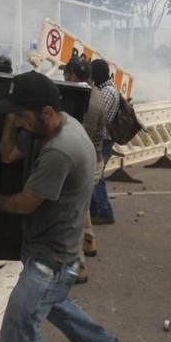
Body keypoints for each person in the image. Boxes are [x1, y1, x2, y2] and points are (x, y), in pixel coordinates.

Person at [0, 71, 132, 342]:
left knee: (19, 326)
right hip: (44, 244)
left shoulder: (59, 150)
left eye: (20, 116)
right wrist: (12, 121)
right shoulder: (46, 128)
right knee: (55, 306)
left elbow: (25, 204)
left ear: (46, 112)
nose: (18, 123)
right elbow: (7, 154)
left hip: (51, 259)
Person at [63, 56, 106, 283]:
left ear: (72, 75)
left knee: (72, 212)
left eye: (66, 73)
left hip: (83, 162)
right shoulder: (95, 93)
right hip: (95, 160)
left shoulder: (81, 98)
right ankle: (89, 243)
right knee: (82, 205)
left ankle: (78, 267)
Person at [90, 59, 119, 225]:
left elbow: (101, 118)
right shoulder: (105, 88)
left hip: (103, 140)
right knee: (94, 176)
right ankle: (95, 210)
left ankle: (105, 212)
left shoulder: (107, 91)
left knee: (97, 176)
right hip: (103, 140)